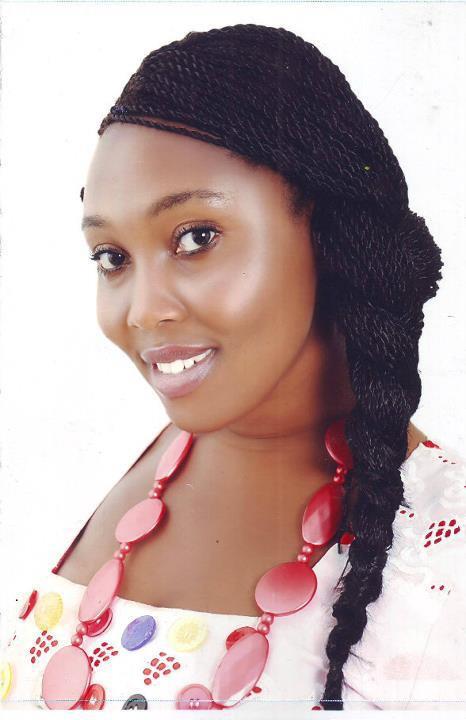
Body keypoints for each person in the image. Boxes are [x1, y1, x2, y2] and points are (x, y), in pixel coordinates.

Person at [1, 23, 465, 714]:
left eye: (196, 238)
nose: (144, 310)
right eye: (112, 258)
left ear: (331, 234)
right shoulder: (147, 461)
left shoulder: (444, 564)